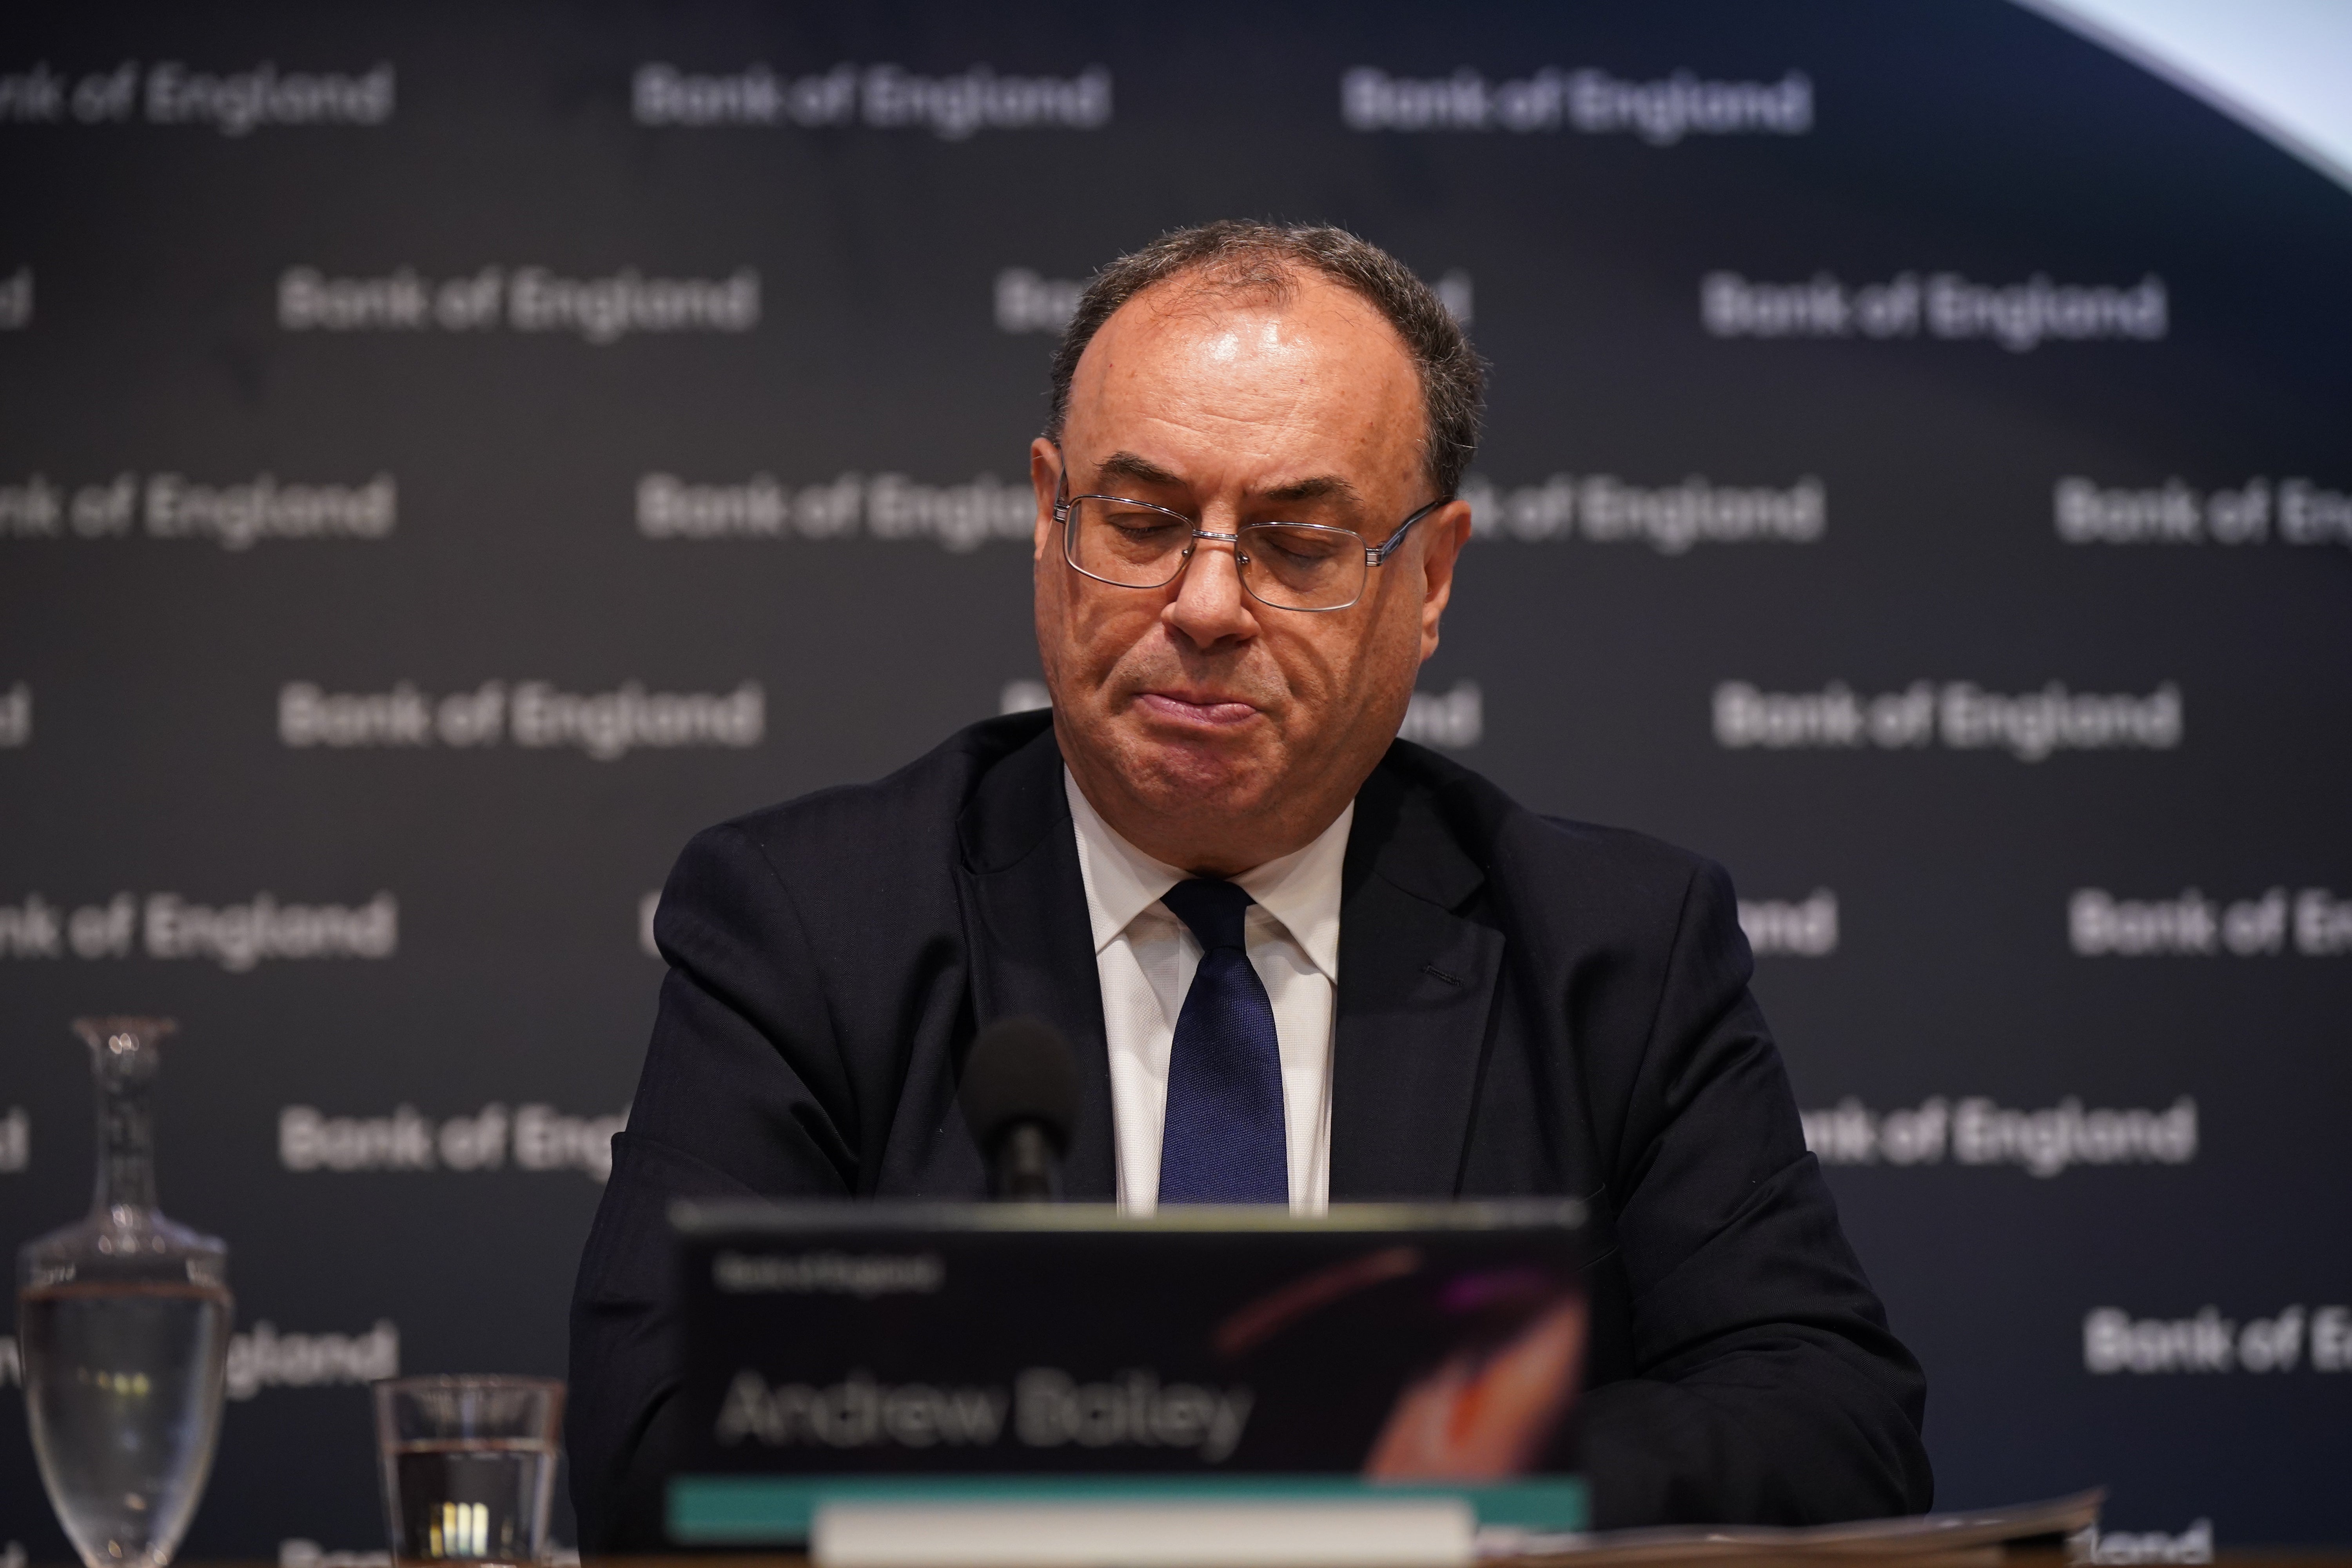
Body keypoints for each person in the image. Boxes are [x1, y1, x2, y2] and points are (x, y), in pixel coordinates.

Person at [567, 221, 1932, 1543]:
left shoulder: (1612, 954)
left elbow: (1832, 1430)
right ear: (1051, 521)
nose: (1209, 605)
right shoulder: (811, 924)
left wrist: (1357, 1451)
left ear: (1433, 575)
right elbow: (657, 1452)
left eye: (1298, 544)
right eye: (1147, 520)